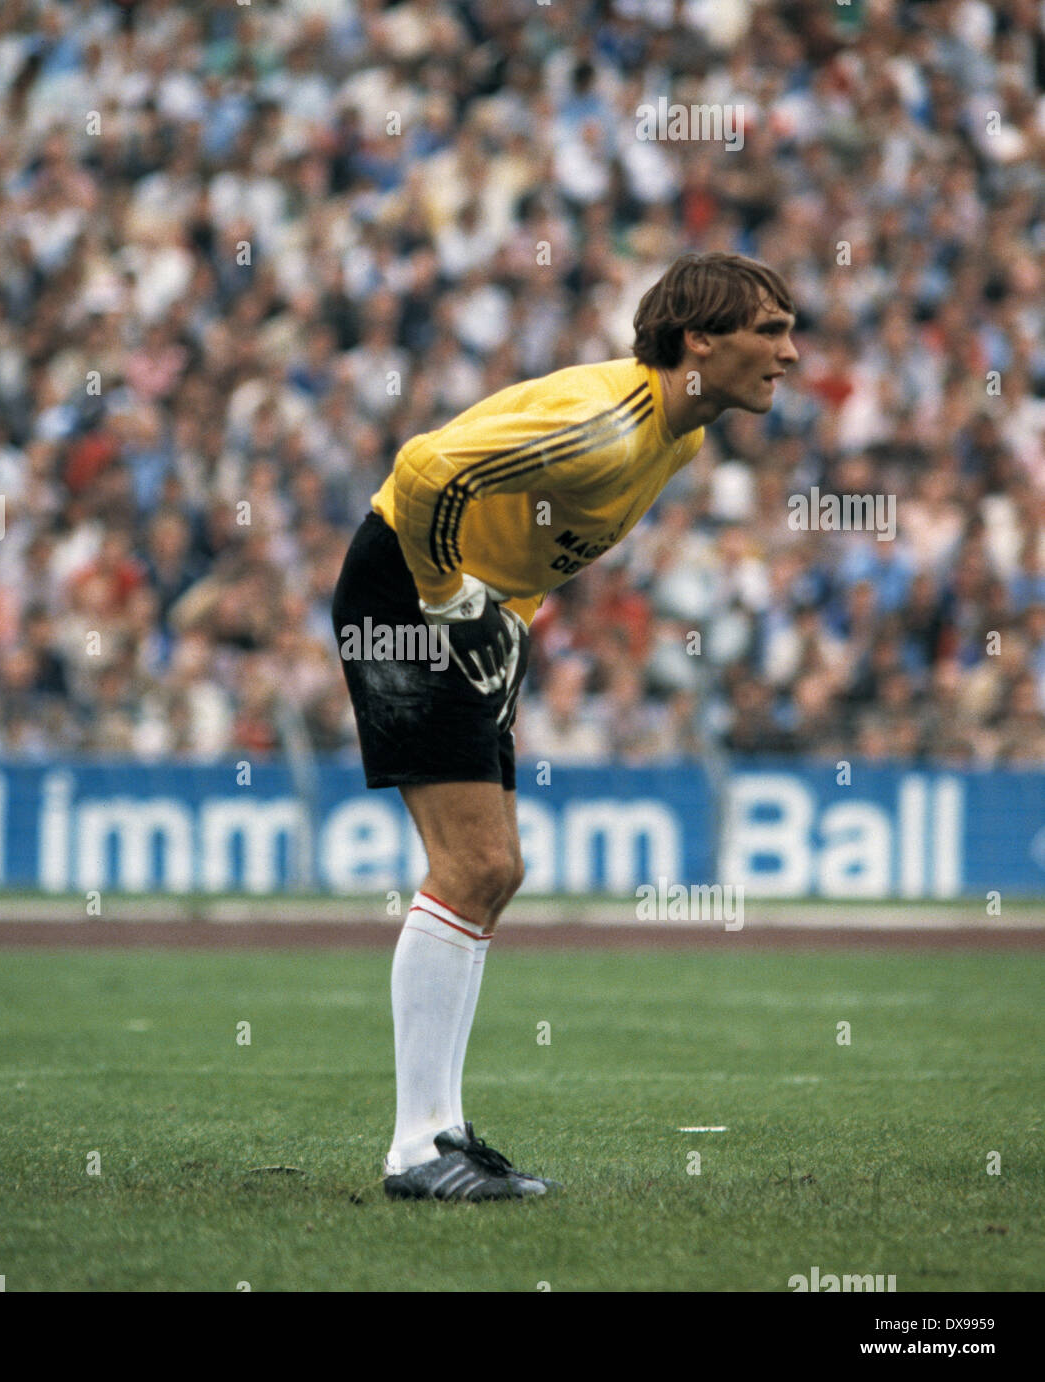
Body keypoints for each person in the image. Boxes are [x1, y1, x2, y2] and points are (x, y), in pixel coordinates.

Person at [331, 252, 798, 1200]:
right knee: (475, 867)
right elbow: (424, 469)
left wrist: (505, 617)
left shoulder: (687, 435)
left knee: (494, 872)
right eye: (772, 329)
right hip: (407, 590)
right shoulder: (610, 428)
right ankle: (418, 1150)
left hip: (466, 608)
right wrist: (456, 599)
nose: (790, 351)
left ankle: (439, 1132)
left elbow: (523, 534)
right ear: (700, 341)